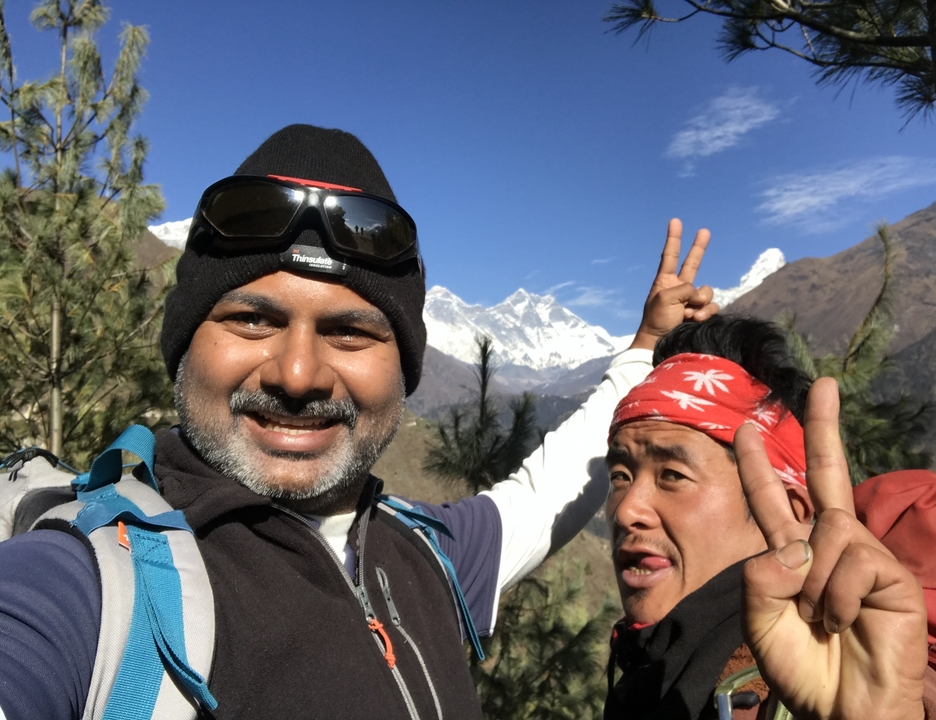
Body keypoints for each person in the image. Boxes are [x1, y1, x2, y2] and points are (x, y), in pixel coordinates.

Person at [0, 124, 718, 720]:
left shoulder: (428, 557)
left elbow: (543, 492)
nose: (297, 374)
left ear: (400, 367)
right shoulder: (93, 588)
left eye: (349, 332)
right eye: (252, 318)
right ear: (186, 341)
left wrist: (646, 350)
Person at [603, 315, 936, 719]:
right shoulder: (651, 668)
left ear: (791, 509)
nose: (628, 509)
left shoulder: (828, 671)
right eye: (620, 475)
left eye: (672, 475)